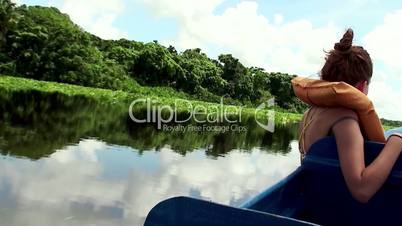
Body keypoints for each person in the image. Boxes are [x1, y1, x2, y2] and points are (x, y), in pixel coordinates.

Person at [297, 28, 402, 203]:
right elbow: (361, 189)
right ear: (362, 87)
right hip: (339, 209)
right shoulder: (345, 119)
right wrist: (396, 143)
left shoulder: (310, 113)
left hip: (317, 201)